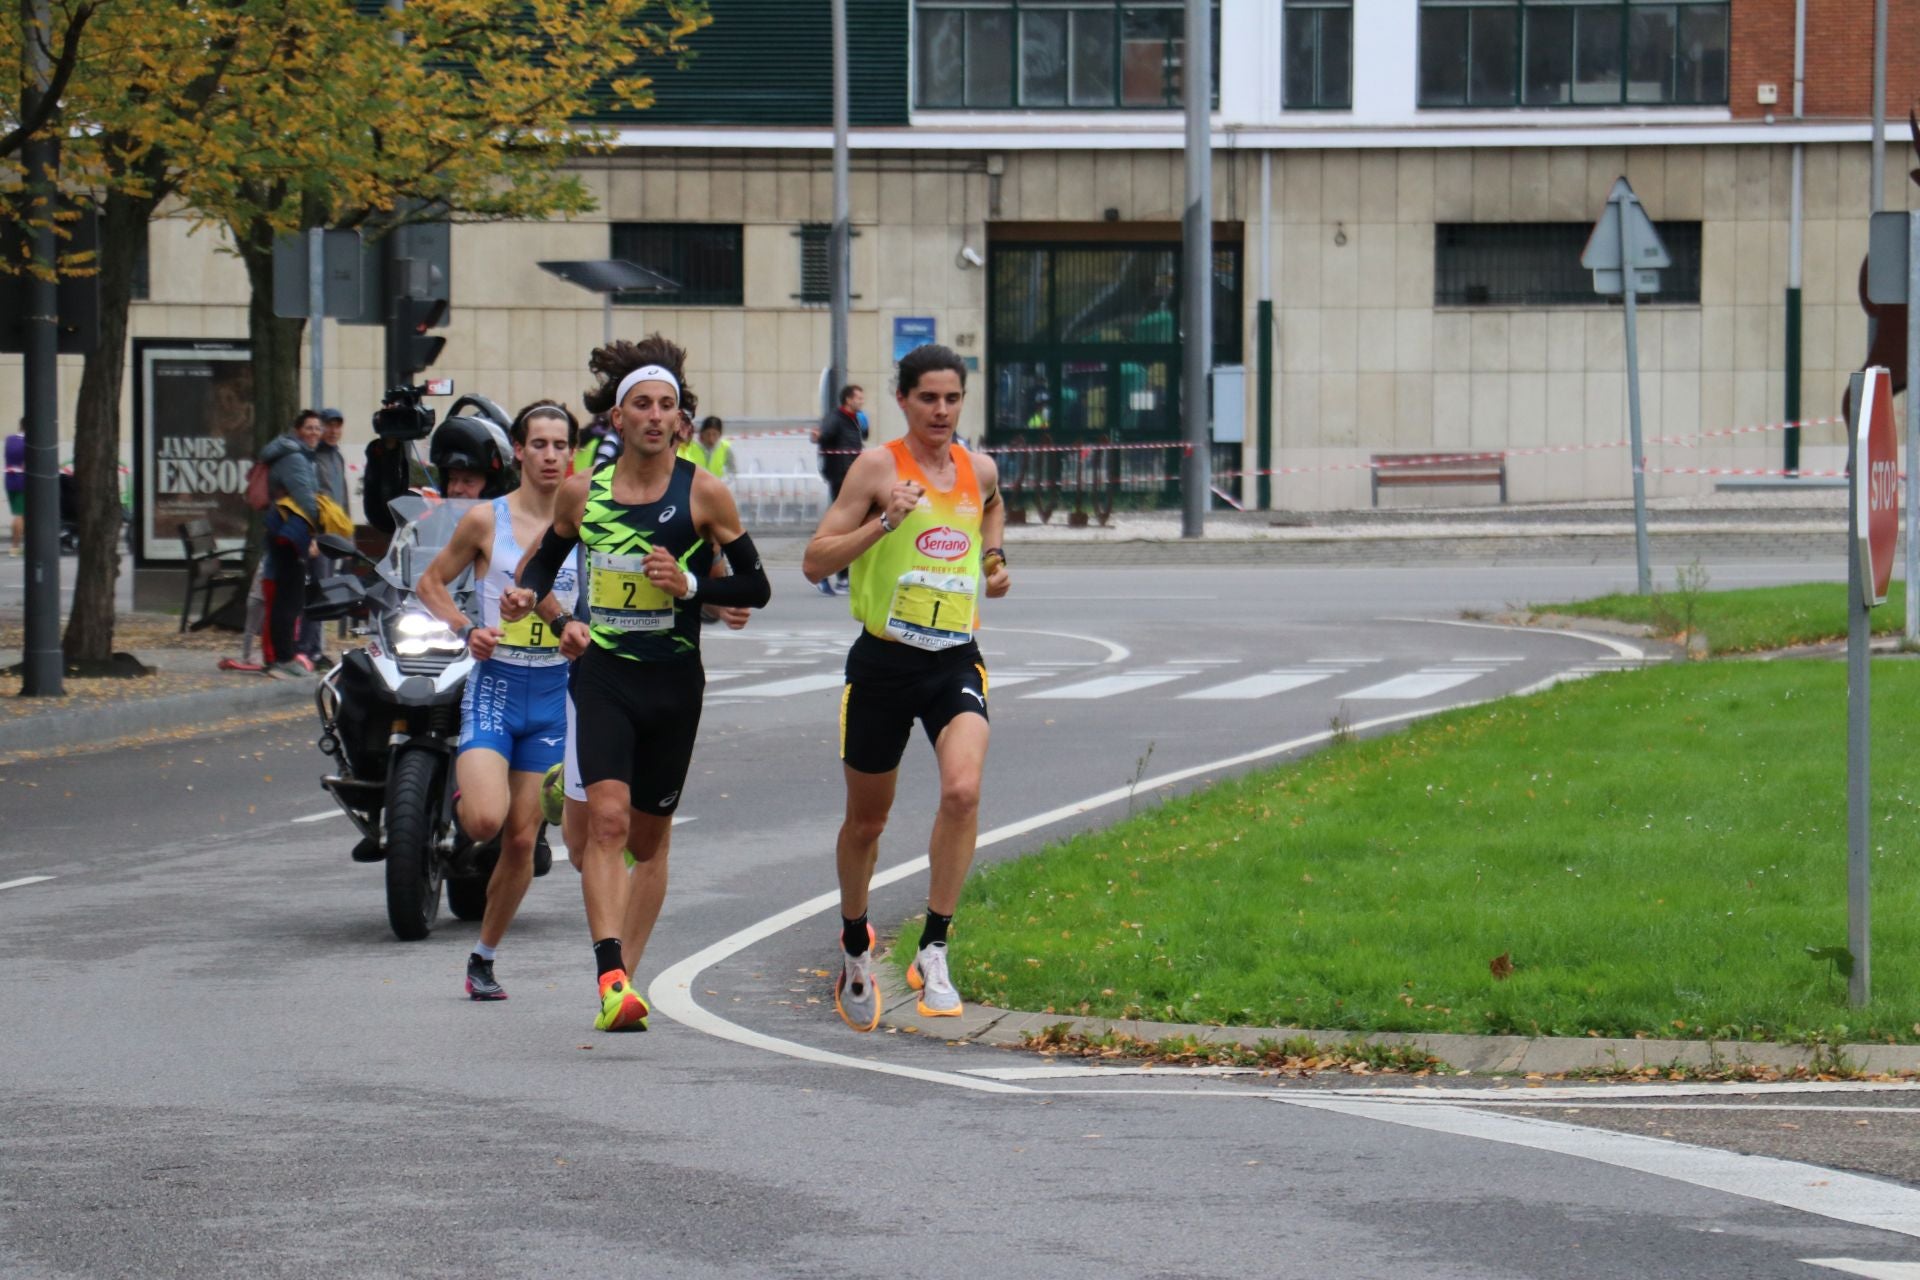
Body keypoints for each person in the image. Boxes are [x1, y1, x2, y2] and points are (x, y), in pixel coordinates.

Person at [506, 334, 772, 1033]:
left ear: (681, 420)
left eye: (669, 406)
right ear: (617, 419)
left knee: (648, 844)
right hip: (605, 677)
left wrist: (688, 584)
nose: (656, 416)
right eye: (642, 405)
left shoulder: (704, 492)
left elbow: (757, 584)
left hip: (675, 682)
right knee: (610, 822)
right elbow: (539, 570)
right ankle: (611, 976)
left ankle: (628, 972)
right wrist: (548, 609)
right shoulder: (580, 493)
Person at [801, 344, 1011, 1032]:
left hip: (955, 660)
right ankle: (856, 941)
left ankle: (935, 946)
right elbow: (813, 561)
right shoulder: (875, 467)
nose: (942, 411)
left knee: (962, 790)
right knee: (867, 821)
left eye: (952, 399)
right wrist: (883, 520)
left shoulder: (977, 468)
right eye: (928, 398)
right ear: (903, 400)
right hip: (884, 664)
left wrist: (995, 558)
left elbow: (993, 504)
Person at [414, 402, 579, 1002]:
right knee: (485, 821)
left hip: (553, 699)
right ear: (519, 452)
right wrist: (467, 629)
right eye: (539, 444)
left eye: (561, 444)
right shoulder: (487, 520)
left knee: (519, 840)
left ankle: (483, 957)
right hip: (496, 689)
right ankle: (463, 788)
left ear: (574, 454)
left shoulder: (589, 525)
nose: (551, 455)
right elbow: (429, 582)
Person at [258, 410, 324, 679]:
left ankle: (285, 655)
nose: (314, 433)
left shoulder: (295, 455)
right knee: (289, 597)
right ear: (297, 430)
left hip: (285, 530)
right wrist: (314, 531)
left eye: (317, 428)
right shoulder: (294, 458)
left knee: (289, 596)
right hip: (291, 531)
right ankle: (282, 658)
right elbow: (306, 499)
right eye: (309, 428)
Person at [301, 409, 353, 669]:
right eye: (328, 426)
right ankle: (308, 649)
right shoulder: (312, 458)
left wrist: (347, 538)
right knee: (317, 591)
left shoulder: (337, 458)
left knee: (324, 590)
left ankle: (315, 648)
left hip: (333, 535)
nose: (333, 431)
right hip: (318, 535)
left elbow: (342, 498)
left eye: (337, 426)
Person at [812, 384, 865, 594]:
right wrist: (818, 436)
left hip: (852, 478)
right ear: (848, 400)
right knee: (842, 528)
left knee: (848, 527)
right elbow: (824, 436)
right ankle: (831, 575)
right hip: (841, 478)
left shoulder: (854, 419)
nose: (862, 401)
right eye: (858, 398)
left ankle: (839, 576)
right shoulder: (836, 418)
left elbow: (858, 441)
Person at [679, 415, 735, 481]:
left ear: (720, 434)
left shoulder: (725, 448)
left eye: (715, 434)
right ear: (702, 433)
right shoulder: (689, 446)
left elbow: (732, 471)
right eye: (708, 434)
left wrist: (721, 482)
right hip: (692, 487)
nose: (711, 438)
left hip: (715, 488)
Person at [5, 425, 23, 554]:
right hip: (24, 481)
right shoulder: (30, 442)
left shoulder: (10, 439)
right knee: (20, 515)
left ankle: (16, 545)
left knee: (19, 513)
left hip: (10, 479)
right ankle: (15, 547)